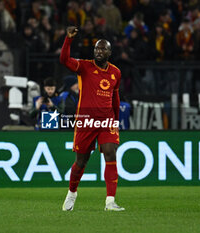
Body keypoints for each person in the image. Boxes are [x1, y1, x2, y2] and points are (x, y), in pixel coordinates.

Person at [60, 26, 124, 211]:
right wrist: (68, 39)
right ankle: (72, 193)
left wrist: (116, 121)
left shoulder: (116, 73)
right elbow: (64, 59)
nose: (99, 51)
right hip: (86, 121)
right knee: (81, 162)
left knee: (111, 153)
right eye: (96, 48)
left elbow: (115, 98)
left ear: (109, 53)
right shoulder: (84, 67)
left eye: (103, 48)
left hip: (106, 121)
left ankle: (110, 202)